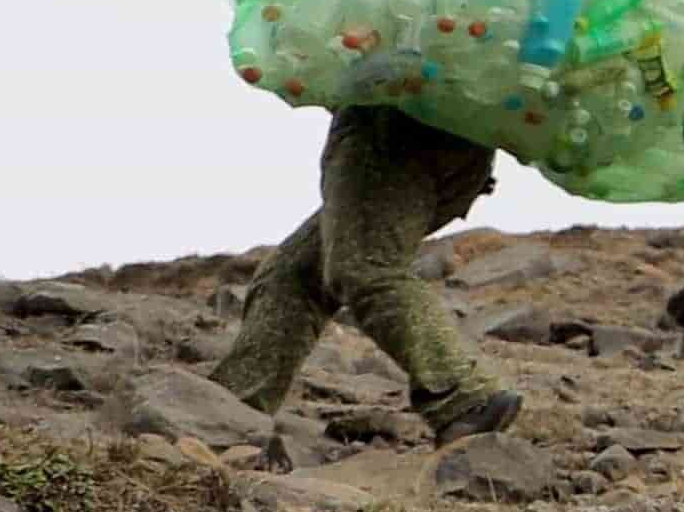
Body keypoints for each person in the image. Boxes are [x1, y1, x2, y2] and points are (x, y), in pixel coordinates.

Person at [215, 98, 524, 440]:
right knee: (293, 275)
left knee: (366, 266)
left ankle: (466, 395)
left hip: (392, 126)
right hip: (455, 137)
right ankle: (230, 411)